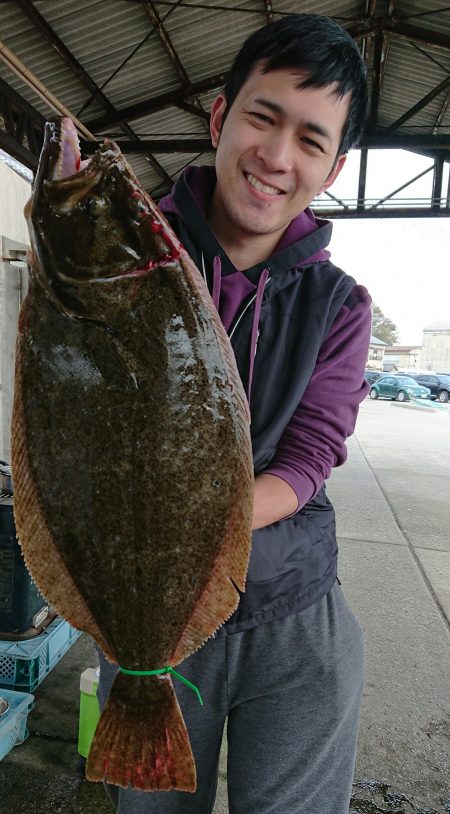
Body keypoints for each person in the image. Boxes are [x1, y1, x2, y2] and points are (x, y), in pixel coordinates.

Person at [97, 13, 371, 814]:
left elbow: (309, 456)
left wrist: (195, 519)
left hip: (293, 611)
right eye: (263, 117)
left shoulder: (341, 305)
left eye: (310, 139)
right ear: (220, 117)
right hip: (149, 618)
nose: (277, 157)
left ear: (333, 167)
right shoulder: (121, 260)